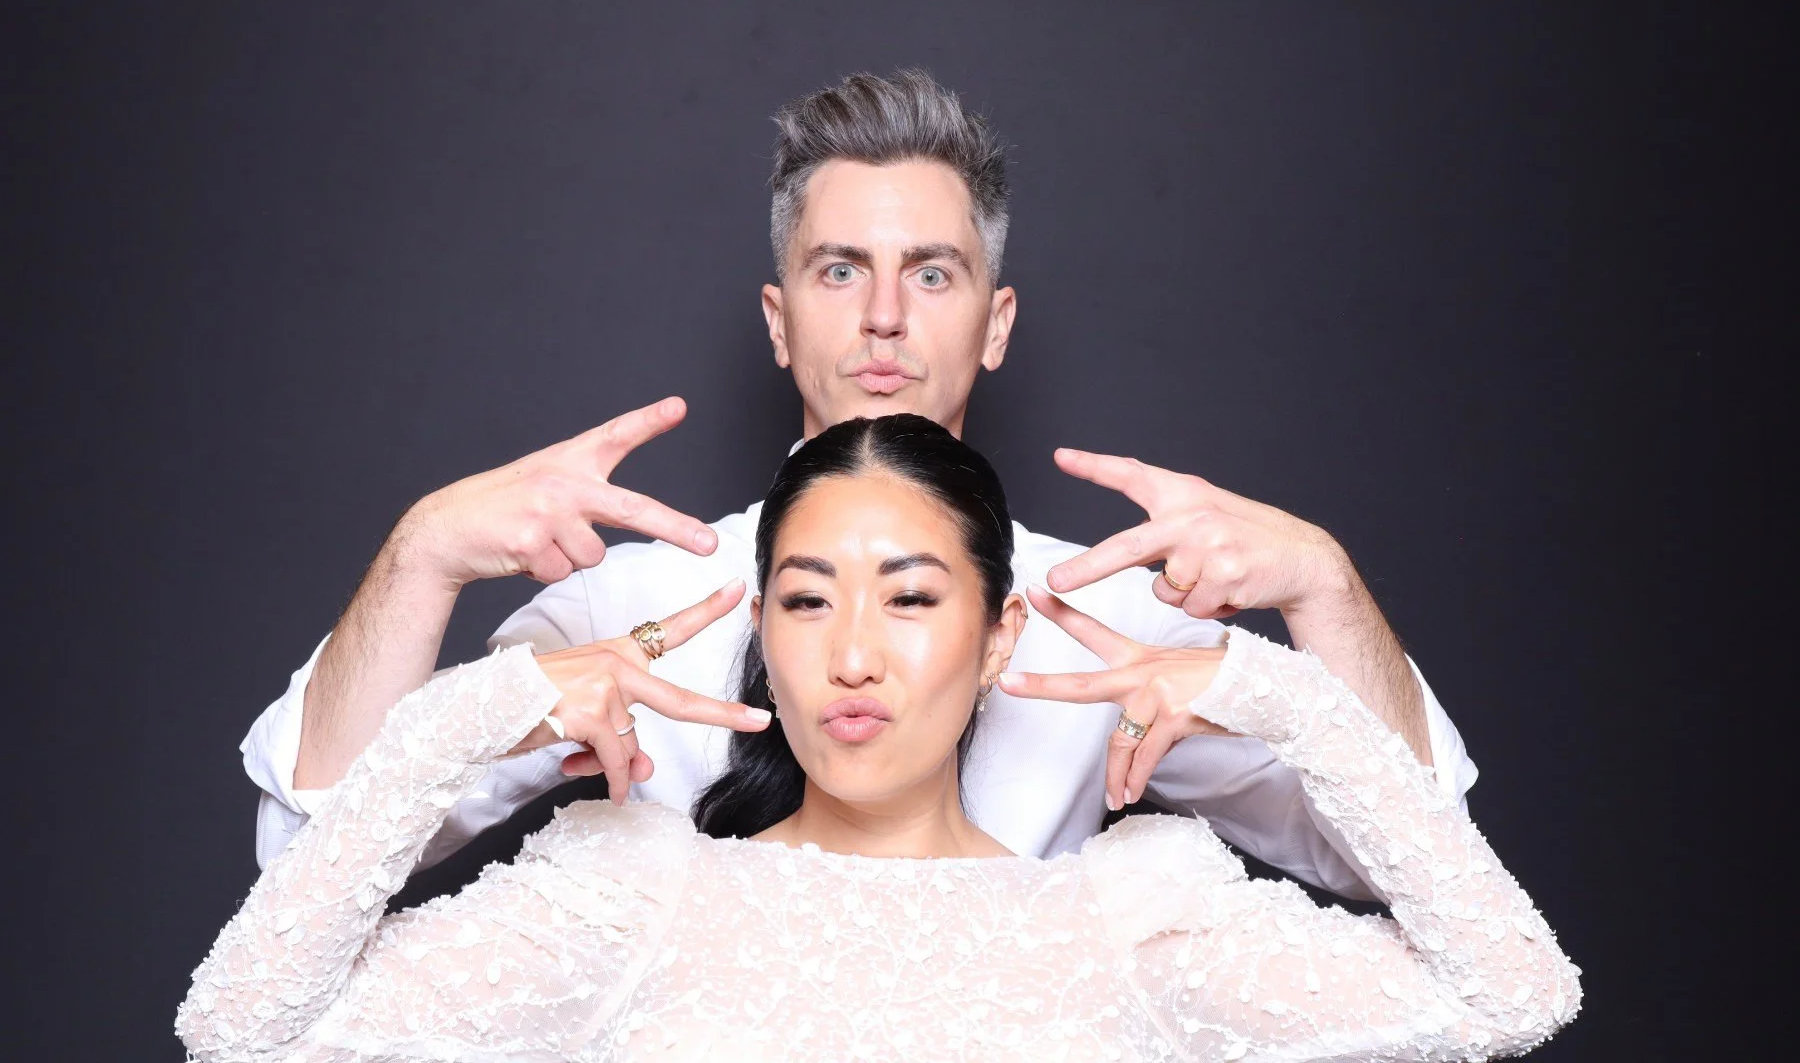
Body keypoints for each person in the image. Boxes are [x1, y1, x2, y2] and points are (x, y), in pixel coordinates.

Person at [240, 69, 1477, 897]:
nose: (884, 319)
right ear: (779, 322)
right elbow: (307, 865)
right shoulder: (638, 607)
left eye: (931, 275)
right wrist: (421, 560)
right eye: (840, 271)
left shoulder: (1086, 620)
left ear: (995, 326)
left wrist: (1323, 587)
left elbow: (1414, 868)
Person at [178, 415, 1579, 1060]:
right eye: (806, 600)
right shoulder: (636, 892)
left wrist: (1271, 680)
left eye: (911, 599)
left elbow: (1513, 993)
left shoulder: (1133, 914)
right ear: (763, 641)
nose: (853, 652)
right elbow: (244, 1028)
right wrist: (485, 704)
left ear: (998, 642)